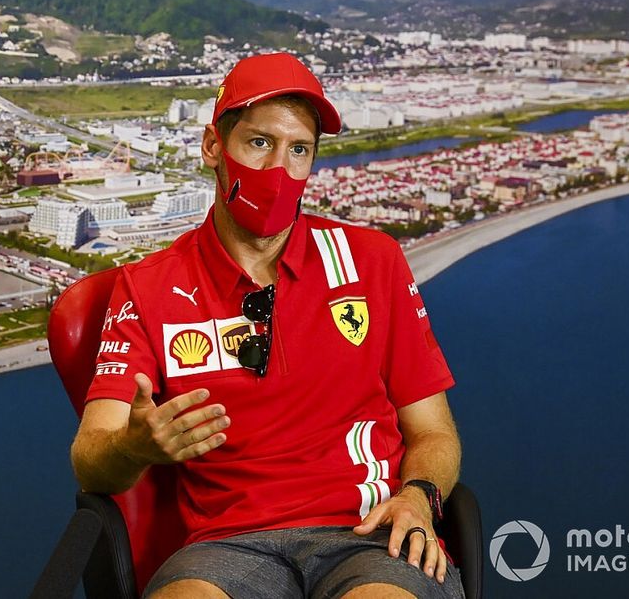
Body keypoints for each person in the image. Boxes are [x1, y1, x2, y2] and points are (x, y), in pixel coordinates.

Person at [71, 52, 463, 599]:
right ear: (214, 147)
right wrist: (135, 447)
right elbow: (92, 461)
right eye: (260, 143)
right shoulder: (146, 288)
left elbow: (435, 433)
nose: (279, 170)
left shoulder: (374, 262)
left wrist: (419, 496)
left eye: (298, 150)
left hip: (370, 536)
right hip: (225, 549)